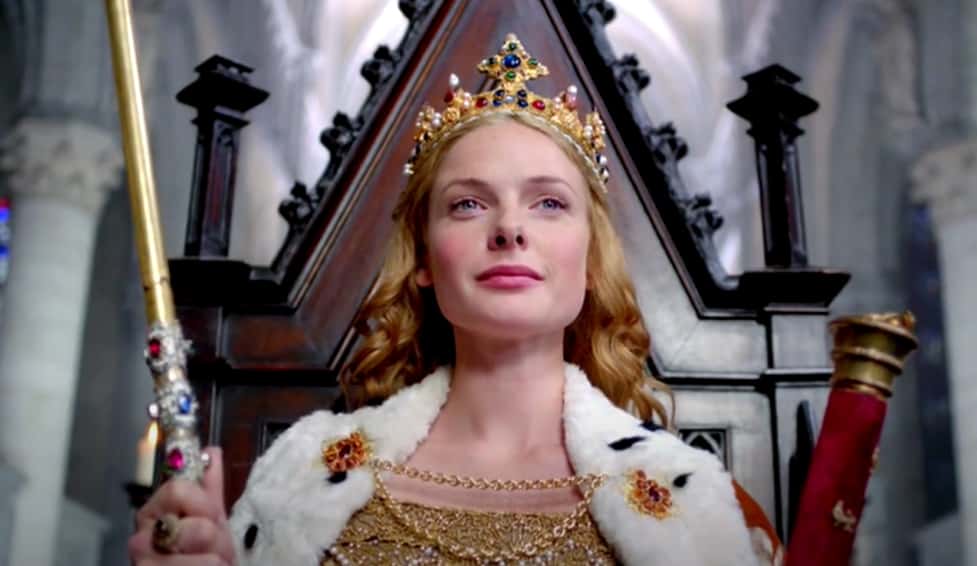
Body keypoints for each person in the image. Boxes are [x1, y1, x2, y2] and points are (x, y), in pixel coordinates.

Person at [129, 34, 781, 565]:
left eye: (549, 203)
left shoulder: (693, 505)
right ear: (422, 261)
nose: (509, 228)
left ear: (590, 261)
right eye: (468, 204)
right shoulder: (298, 480)